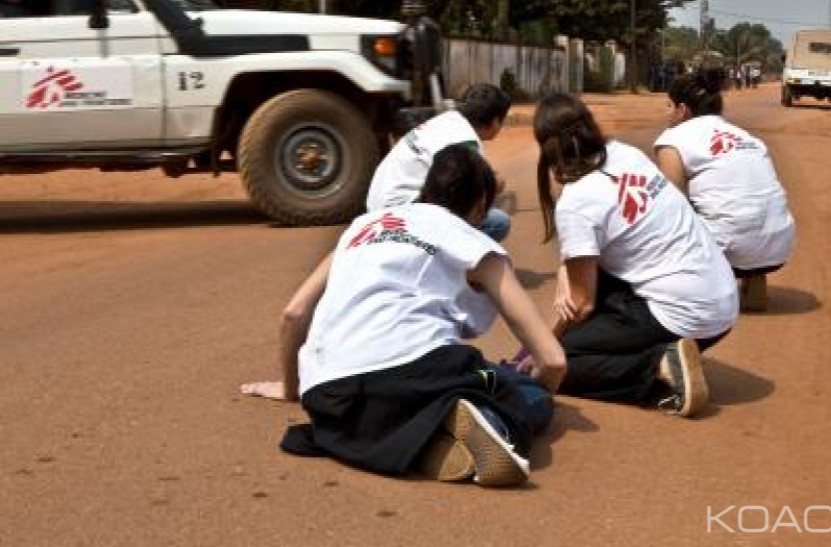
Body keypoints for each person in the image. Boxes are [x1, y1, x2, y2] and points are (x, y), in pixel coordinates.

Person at [242, 145, 566, 487]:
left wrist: (292, 388)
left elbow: (294, 313)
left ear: (428, 189)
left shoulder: (363, 227)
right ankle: (489, 420)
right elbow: (554, 360)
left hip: (329, 394)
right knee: (518, 388)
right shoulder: (473, 242)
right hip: (411, 372)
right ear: (480, 203)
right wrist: (538, 392)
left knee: (399, 393)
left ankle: (421, 436)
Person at [532, 93, 738, 417]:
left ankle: (658, 367)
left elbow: (581, 303)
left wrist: (541, 348)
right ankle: (667, 353)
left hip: (686, 313)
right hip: (722, 306)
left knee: (561, 360)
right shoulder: (624, 153)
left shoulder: (576, 202)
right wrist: (564, 271)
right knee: (596, 298)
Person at [654, 68, 796, 311]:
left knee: (658, 219)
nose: (665, 112)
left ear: (682, 110)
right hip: (777, 247)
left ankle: (697, 290)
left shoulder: (672, 139)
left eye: (669, 105)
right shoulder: (747, 138)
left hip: (727, 250)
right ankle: (753, 278)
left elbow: (672, 203)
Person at [367, 83, 512, 241]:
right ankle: (445, 261)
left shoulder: (447, 120)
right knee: (497, 222)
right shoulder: (466, 141)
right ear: (496, 120)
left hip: (377, 207)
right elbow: (469, 194)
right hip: (400, 215)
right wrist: (495, 183)